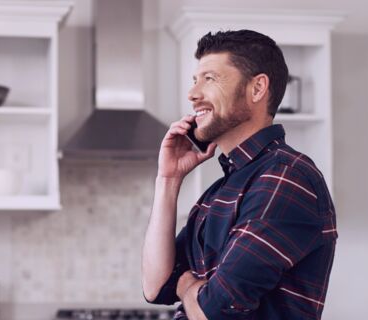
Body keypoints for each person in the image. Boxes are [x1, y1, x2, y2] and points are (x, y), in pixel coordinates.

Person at [141, 30, 337, 320]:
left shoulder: (285, 177)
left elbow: (213, 312)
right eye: (194, 81)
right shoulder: (224, 187)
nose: (193, 94)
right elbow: (155, 285)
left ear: (257, 89)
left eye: (210, 79)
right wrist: (168, 181)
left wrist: (184, 284)